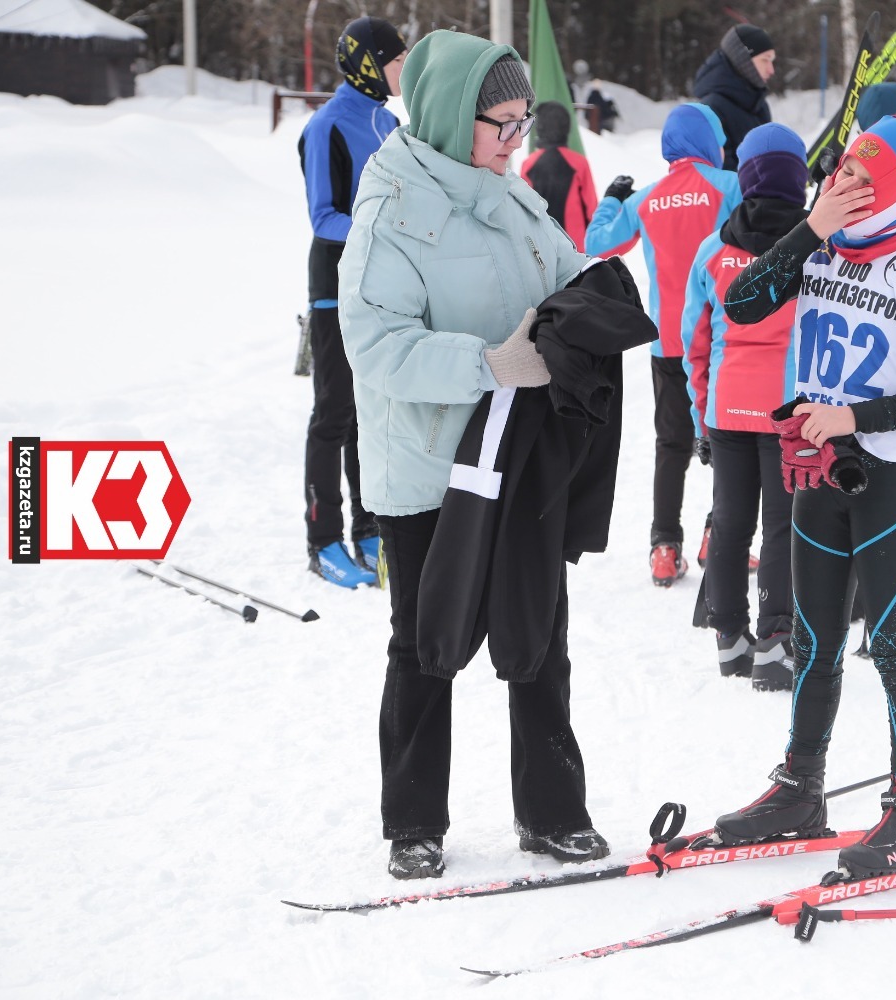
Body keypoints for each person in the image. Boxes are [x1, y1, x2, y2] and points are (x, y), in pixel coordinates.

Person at [338, 30, 611, 880]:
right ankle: (413, 823)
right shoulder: (391, 214)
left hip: (518, 456)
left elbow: (561, 275)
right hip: (430, 470)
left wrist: (597, 297)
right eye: (502, 123)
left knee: (541, 631)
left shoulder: (513, 194)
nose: (515, 140)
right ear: (456, 116)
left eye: (525, 124)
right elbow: (373, 345)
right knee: (428, 642)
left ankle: (553, 813)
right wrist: (488, 365)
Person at [712, 115, 896, 879]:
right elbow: (742, 304)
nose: (846, 189)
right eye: (841, 177)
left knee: (893, 644)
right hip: (817, 475)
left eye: (864, 181)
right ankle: (800, 787)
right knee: (814, 644)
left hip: (891, 479)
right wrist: (807, 228)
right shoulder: (821, 244)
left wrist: (854, 418)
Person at [585, 103, 742, 587]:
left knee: (670, 445)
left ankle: (663, 547)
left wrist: (612, 199)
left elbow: (596, 244)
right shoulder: (728, 186)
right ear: (708, 142)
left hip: (668, 342)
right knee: (729, 442)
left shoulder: (647, 199)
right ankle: (717, 534)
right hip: (721, 339)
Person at [681, 123, 808, 691]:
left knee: (731, 524)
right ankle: (776, 645)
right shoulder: (817, 249)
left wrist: (700, 415)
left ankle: (729, 639)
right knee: (782, 526)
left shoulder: (715, 249)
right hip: (791, 412)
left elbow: (695, 343)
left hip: (727, 409)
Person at [297, 16, 405, 587]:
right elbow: (323, 216)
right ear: (368, 62)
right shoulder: (328, 126)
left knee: (371, 410)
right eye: (396, 62)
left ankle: (368, 528)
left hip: (379, 284)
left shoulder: (388, 122)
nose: (403, 72)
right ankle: (322, 540)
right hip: (334, 284)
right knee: (334, 412)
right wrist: (383, 225)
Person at [693, 24, 775, 170]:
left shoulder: (759, 105)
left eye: (772, 61)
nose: (771, 70)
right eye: (765, 60)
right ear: (743, 59)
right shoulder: (711, 110)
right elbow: (720, 178)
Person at [520, 100, 598, 253]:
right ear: (566, 128)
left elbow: (524, 209)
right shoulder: (579, 163)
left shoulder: (529, 164)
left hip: (542, 245)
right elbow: (592, 208)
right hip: (576, 247)